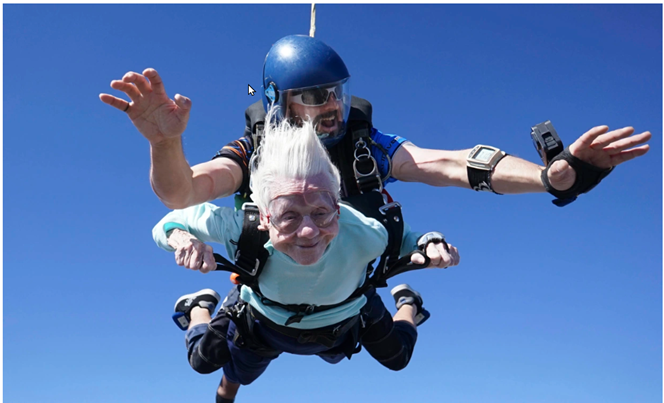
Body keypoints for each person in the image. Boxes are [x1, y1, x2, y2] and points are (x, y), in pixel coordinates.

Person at [99, 34, 651, 211]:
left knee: (386, 351)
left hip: (345, 292)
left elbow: (454, 165)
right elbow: (183, 192)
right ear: (277, 104)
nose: (330, 108)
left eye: (335, 94)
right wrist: (166, 145)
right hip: (270, 290)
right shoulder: (255, 148)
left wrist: (551, 177)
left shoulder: (368, 146)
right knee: (242, 354)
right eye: (311, 98)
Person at [152, 114, 460, 403]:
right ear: (263, 217)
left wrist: (431, 243)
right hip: (263, 321)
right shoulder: (241, 228)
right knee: (206, 363)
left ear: (338, 209)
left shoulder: (366, 231)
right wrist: (184, 240)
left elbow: (405, 237)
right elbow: (169, 222)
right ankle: (199, 308)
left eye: (322, 212)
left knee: (398, 357)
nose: (309, 231)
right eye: (289, 216)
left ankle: (409, 305)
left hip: (344, 319)